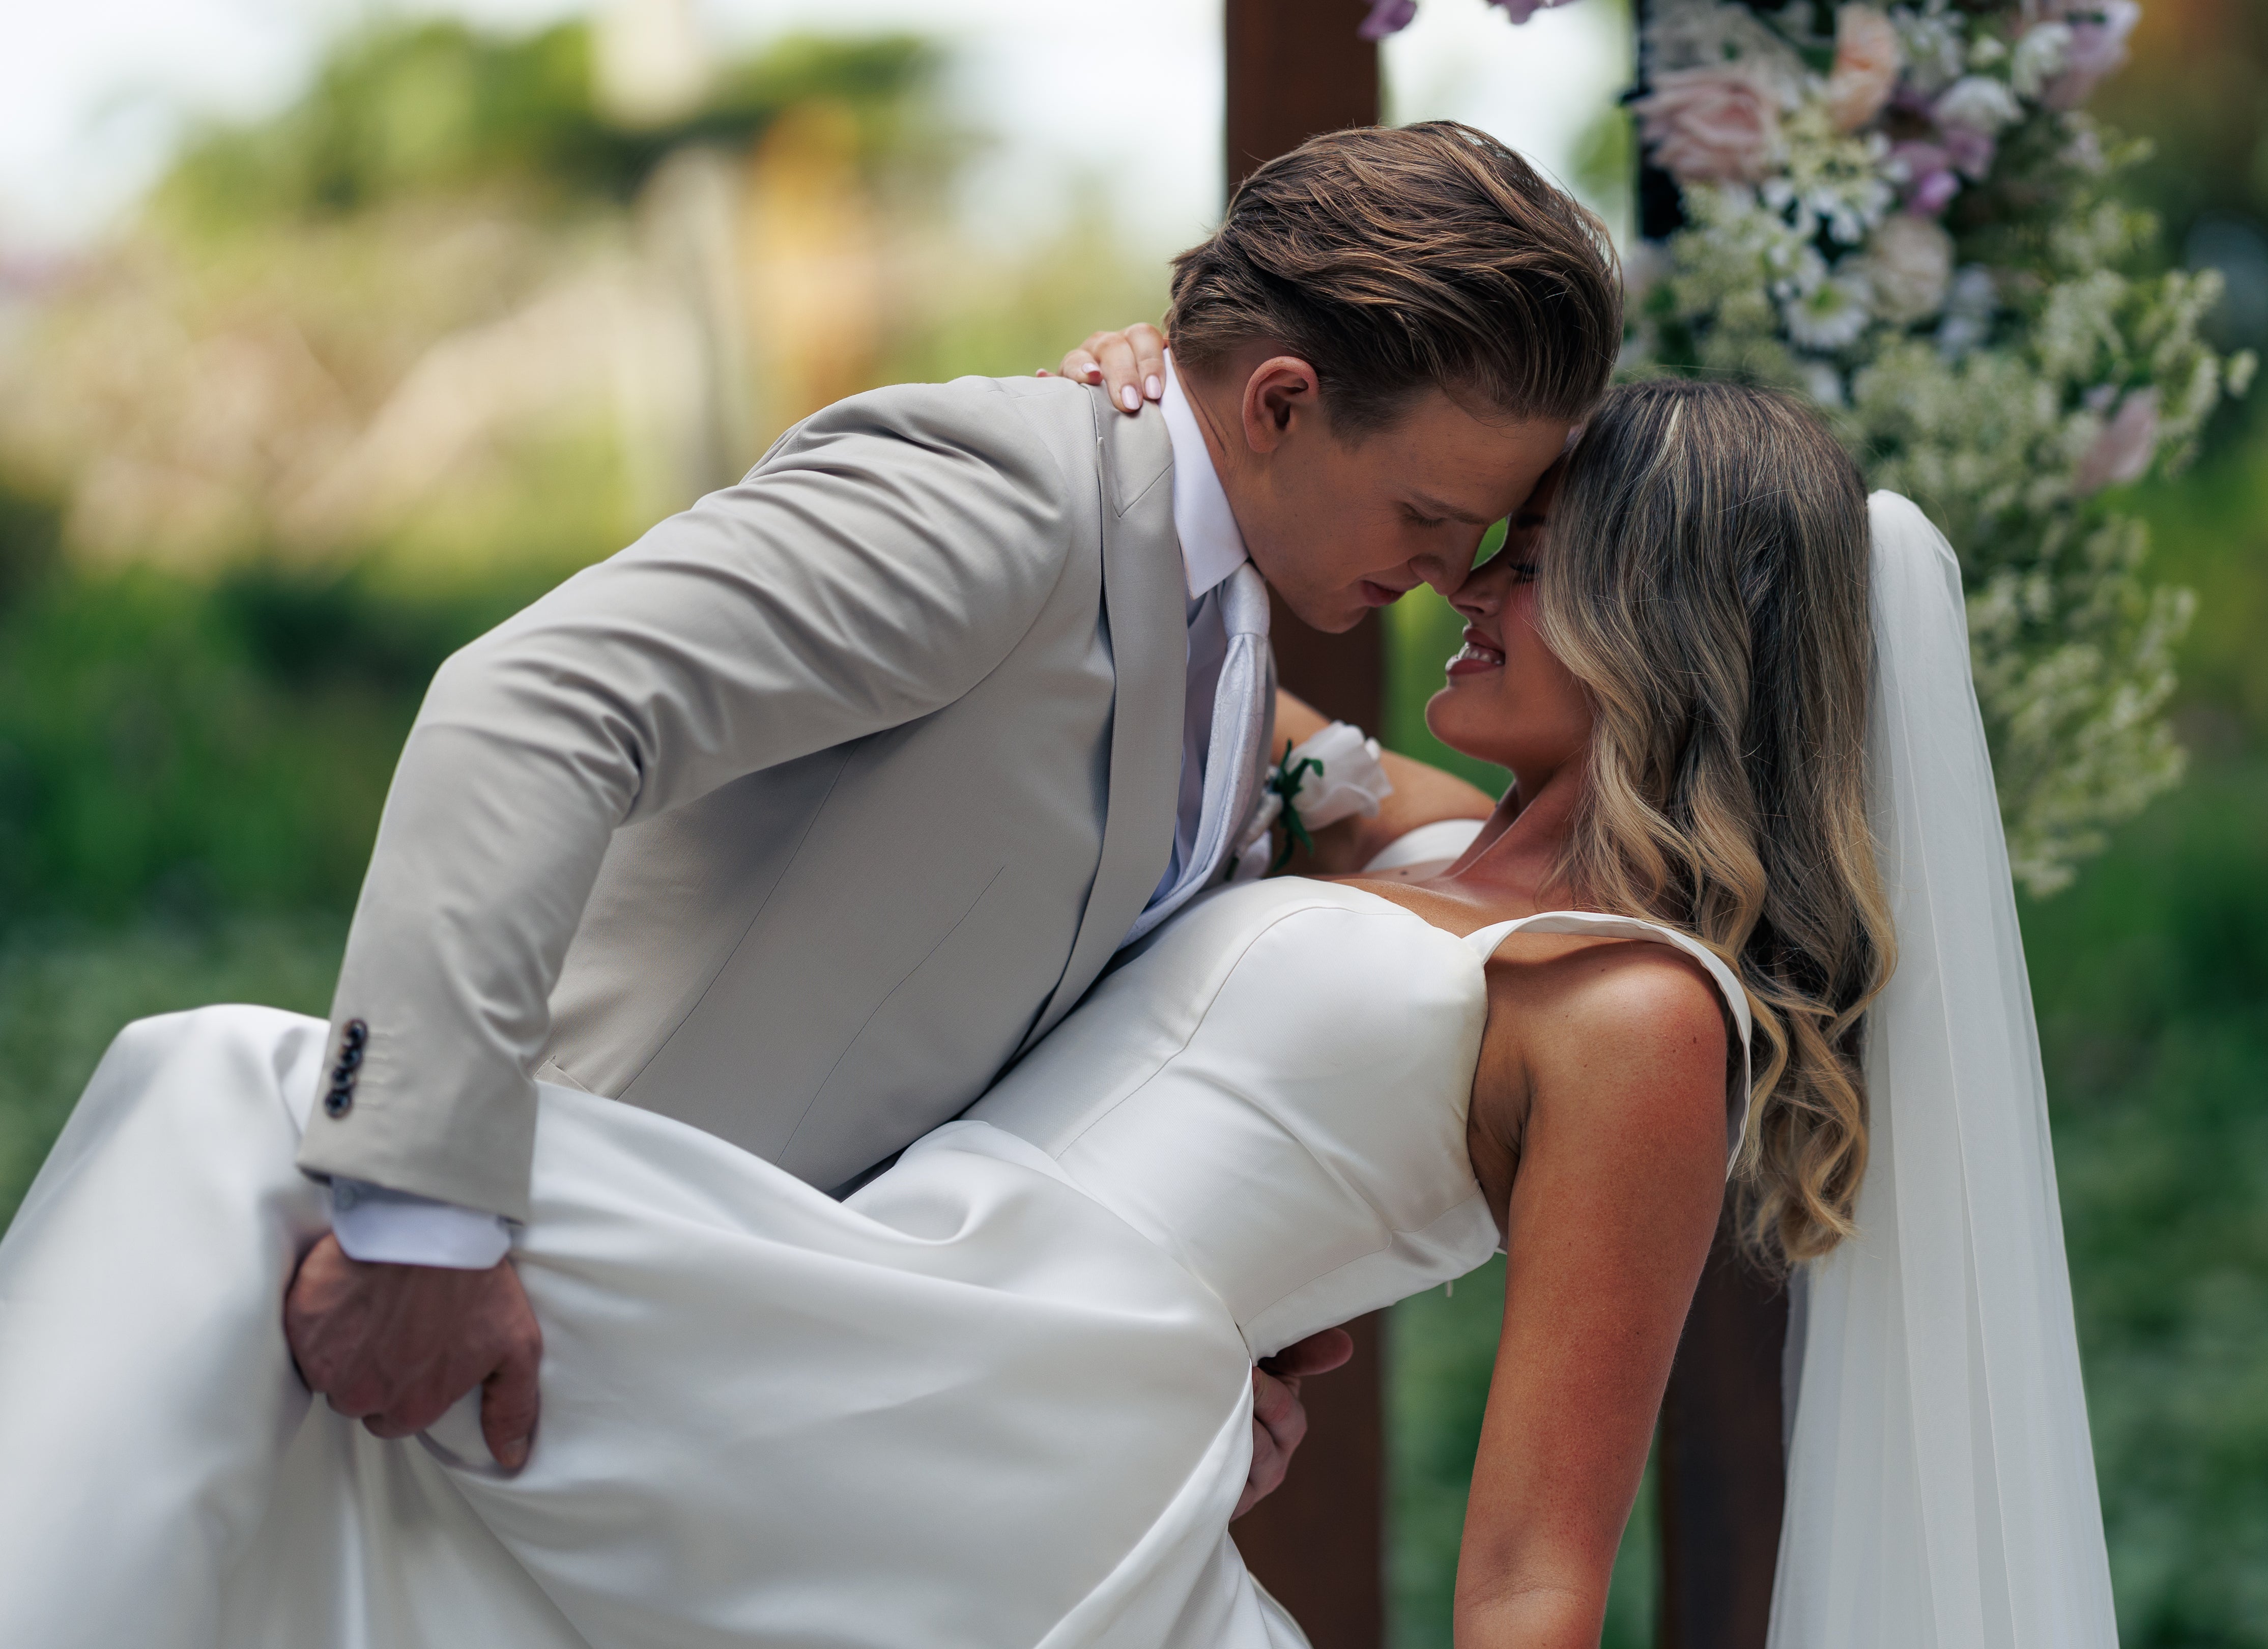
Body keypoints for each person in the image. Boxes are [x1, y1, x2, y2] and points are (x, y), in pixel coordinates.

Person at [0, 376, 2123, 1648]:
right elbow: (1158, 592)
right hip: (900, 1287)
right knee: (299, 1296)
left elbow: (1538, 1566)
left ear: (1665, 625)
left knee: (229, 1104)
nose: (1463, 577)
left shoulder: (1643, 1018)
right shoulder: (1413, 838)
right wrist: (1153, 401)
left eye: (1530, 553)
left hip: (1021, 1392)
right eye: (1468, 532)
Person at [250, 118, 1617, 1500]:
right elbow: (536, 703)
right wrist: (416, 1224)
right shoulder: (1015, 495)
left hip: (735, 1395)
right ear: (1276, 405)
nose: (1455, 573)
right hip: (501, 1310)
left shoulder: (1222, 608)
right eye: (1430, 515)